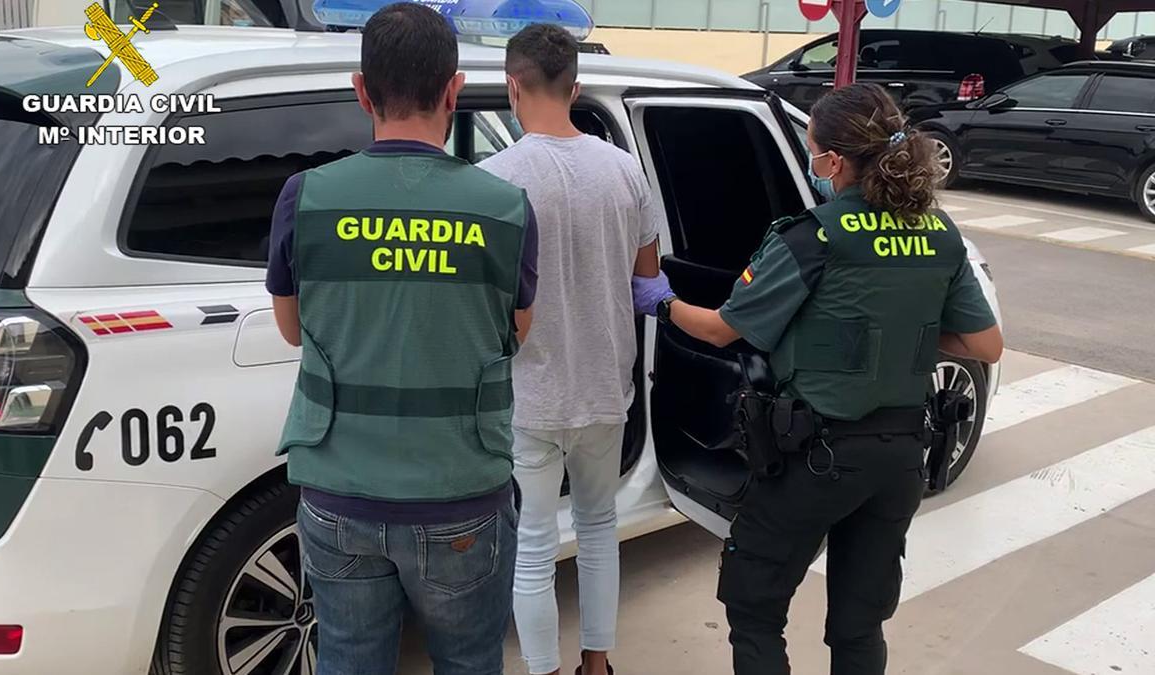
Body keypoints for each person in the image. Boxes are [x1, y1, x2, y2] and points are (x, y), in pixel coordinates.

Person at [633, 83, 1003, 675]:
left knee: (754, 611)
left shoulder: (813, 236)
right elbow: (986, 344)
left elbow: (724, 331)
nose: (812, 165)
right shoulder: (940, 232)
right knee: (859, 625)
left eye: (812, 152)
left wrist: (659, 302)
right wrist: (902, 327)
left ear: (835, 160)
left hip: (818, 459)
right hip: (901, 458)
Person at [266, 4, 540, 673]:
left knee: (350, 660)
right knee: (470, 661)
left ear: (362, 90)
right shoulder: (505, 208)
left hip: (339, 492)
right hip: (461, 493)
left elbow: (290, 328)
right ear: (454, 89)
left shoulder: (305, 197)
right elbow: (518, 334)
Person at [477, 23, 666, 675]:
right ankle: (597, 663)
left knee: (531, 544)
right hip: (605, 389)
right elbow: (648, 280)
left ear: (512, 85)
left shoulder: (493, 178)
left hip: (530, 393)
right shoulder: (623, 171)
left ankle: (542, 669)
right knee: (596, 528)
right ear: (575, 87)